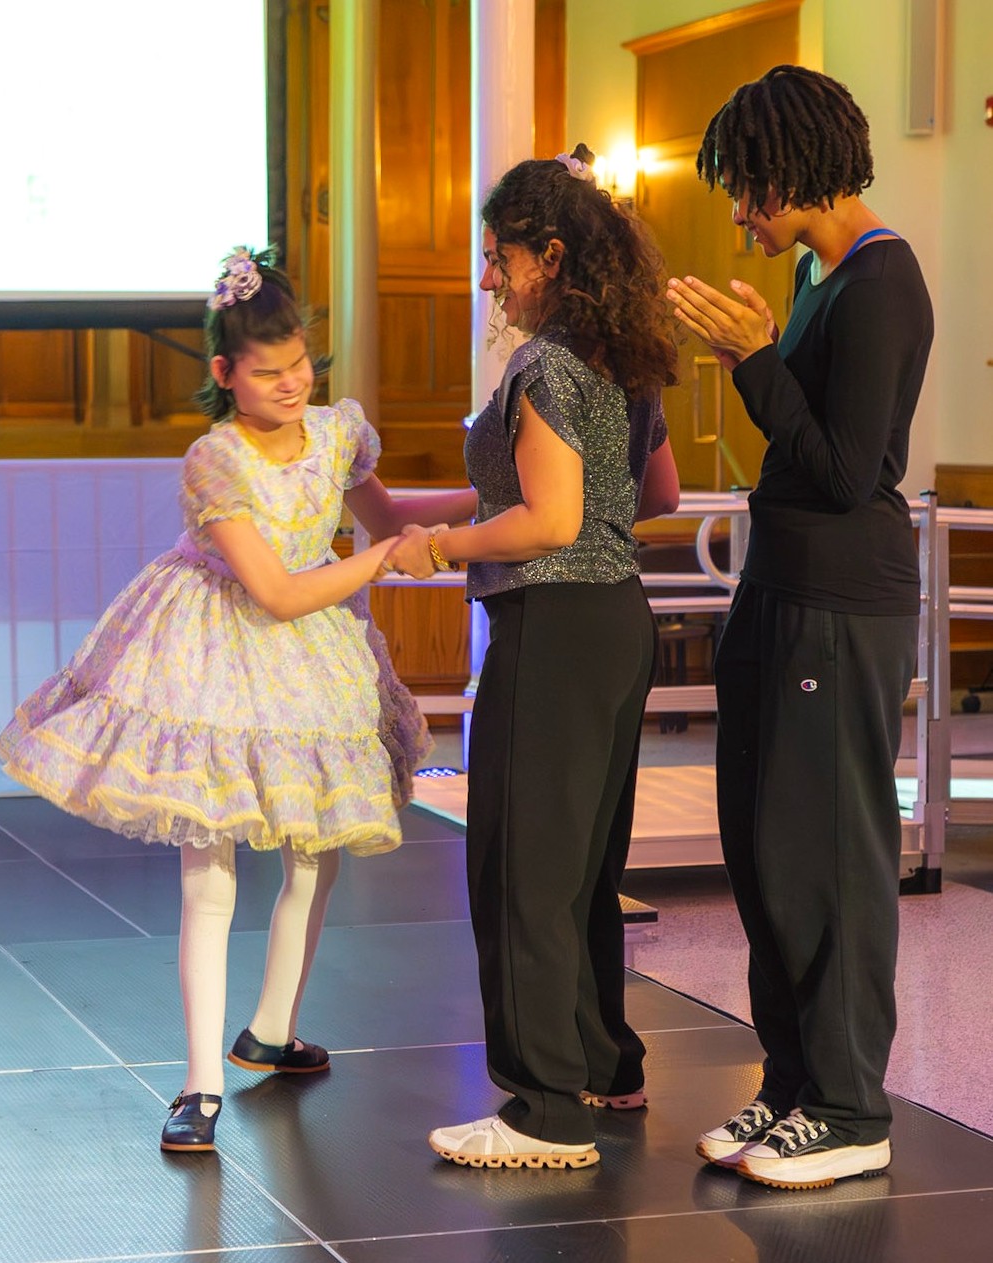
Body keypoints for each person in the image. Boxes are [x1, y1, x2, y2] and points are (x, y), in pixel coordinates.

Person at [0, 247, 476, 1153]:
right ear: (225, 374)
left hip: (318, 659)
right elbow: (277, 591)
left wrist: (493, 500)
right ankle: (199, 1083)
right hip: (219, 653)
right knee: (208, 865)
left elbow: (384, 514)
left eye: (300, 364)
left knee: (314, 852)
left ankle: (272, 1028)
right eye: (268, 372)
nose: (292, 383)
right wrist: (386, 559)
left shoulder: (337, 433)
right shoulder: (216, 461)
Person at [665, 65, 934, 1189]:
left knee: (829, 863)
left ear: (796, 169)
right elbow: (799, 441)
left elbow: (841, 471)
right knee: (769, 858)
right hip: (778, 596)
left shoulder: (880, 280)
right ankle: (791, 1086)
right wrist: (760, 359)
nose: (737, 213)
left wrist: (749, 361)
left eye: (745, 190)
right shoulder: (823, 275)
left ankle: (850, 1107)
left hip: (838, 604)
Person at [389, 146, 681, 1170]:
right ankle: (604, 1064)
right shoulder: (618, 359)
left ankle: (544, 1110)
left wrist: (446, 547)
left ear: (548, 256)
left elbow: (545, 519)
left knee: (521, 867)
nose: (486, 278)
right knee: (582, 866)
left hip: (554, 627)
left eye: (496, 258)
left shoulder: (544, 364)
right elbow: (656, 499)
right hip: (614, 622)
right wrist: (390, 511)